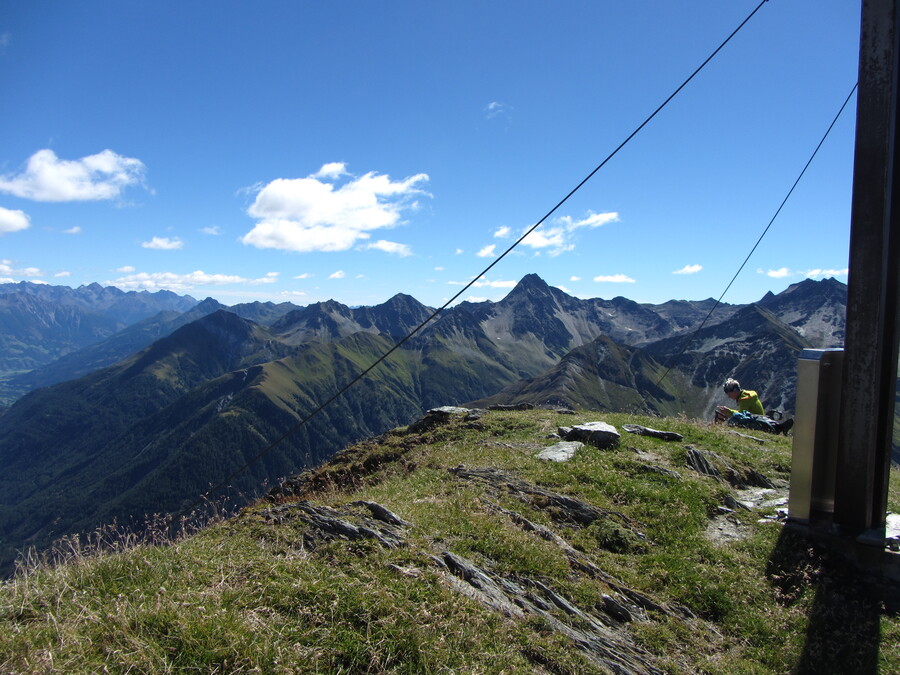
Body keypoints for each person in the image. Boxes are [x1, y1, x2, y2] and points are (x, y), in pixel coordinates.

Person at [714, 378, 794, 435]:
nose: (728, 396)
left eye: (728, 393)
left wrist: (729, 411)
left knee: (733, 420)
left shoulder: (745, 399)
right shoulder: (747, 395)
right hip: (759, 419)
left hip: (756, 422)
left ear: (735, 391)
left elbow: (741, 416)